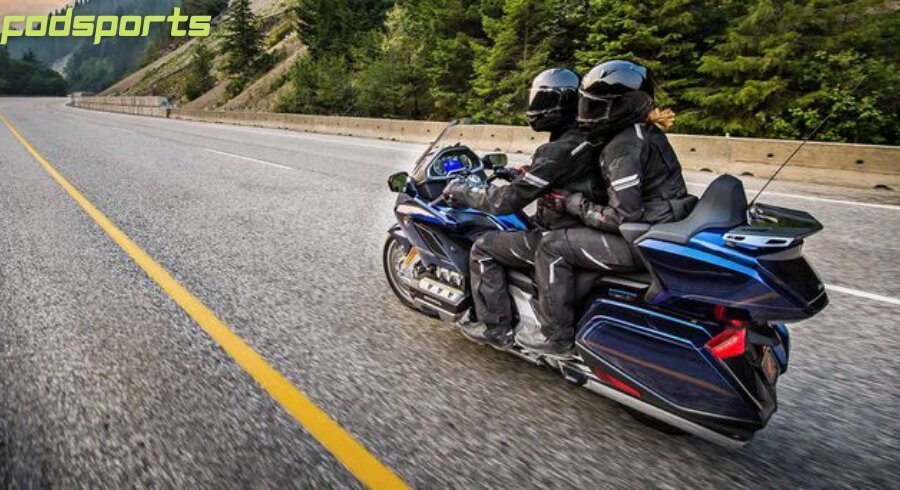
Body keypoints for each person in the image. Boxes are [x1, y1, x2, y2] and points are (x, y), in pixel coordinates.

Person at [515, 60, 697, 356]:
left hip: (640, 239)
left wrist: (571, 203)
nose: (587, 113)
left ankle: (555, 336)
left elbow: (624, 217)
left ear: (624, 107)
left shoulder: (623, 147)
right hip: (659, 229)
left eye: (598, 107)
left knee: (552, 246)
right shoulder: (642, 132)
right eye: (586, 104)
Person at [442, 68, 602, 348]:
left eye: (540, 100)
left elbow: (503, 202)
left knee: (484, 247)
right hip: (587, 227)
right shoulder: (590, 138)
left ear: (557, 105)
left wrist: (462, 191)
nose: (534, 107)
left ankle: (495, 328)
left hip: (563, 232)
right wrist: (527, 175)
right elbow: (564, 178)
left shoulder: (559, 149)